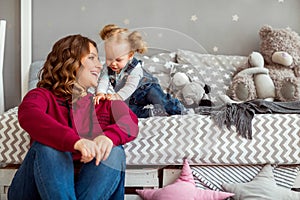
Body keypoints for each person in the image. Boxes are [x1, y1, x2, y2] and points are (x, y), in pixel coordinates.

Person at [8, 34, 139, 200]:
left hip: (89, 189)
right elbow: (29, 115)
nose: (100, 66)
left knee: (114, 152)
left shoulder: (103, 102)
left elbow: (130, 122)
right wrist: (76, 142)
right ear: (70, 62)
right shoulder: (41, 96)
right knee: (49, 148)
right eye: (92, 58)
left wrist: (108, 138)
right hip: (38, 190)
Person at [94, 24, 187, 118]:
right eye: (109, 58)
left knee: (162, 101)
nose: (113, 63)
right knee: (127, 112)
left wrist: (116, 97)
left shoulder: (135, 68)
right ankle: (152, 113)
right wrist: (100, 93)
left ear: (130, 56)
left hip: (147, 89)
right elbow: (103, 80)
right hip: (130, 97)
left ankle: (180, 109)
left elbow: (130, 86)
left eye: (118, 60)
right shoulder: (107, 68)